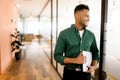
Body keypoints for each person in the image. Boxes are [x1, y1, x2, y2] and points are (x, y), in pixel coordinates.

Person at [54, 4, 99, 80]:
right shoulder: (64, 34)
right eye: (86, 16)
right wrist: (75, 60)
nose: (89, 19)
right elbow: (57, 56)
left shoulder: (91, 35)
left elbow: (95, 53)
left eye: (89, 16)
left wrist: (94, 67)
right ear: (77, 16)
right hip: (70, 74)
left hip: (86, 74)